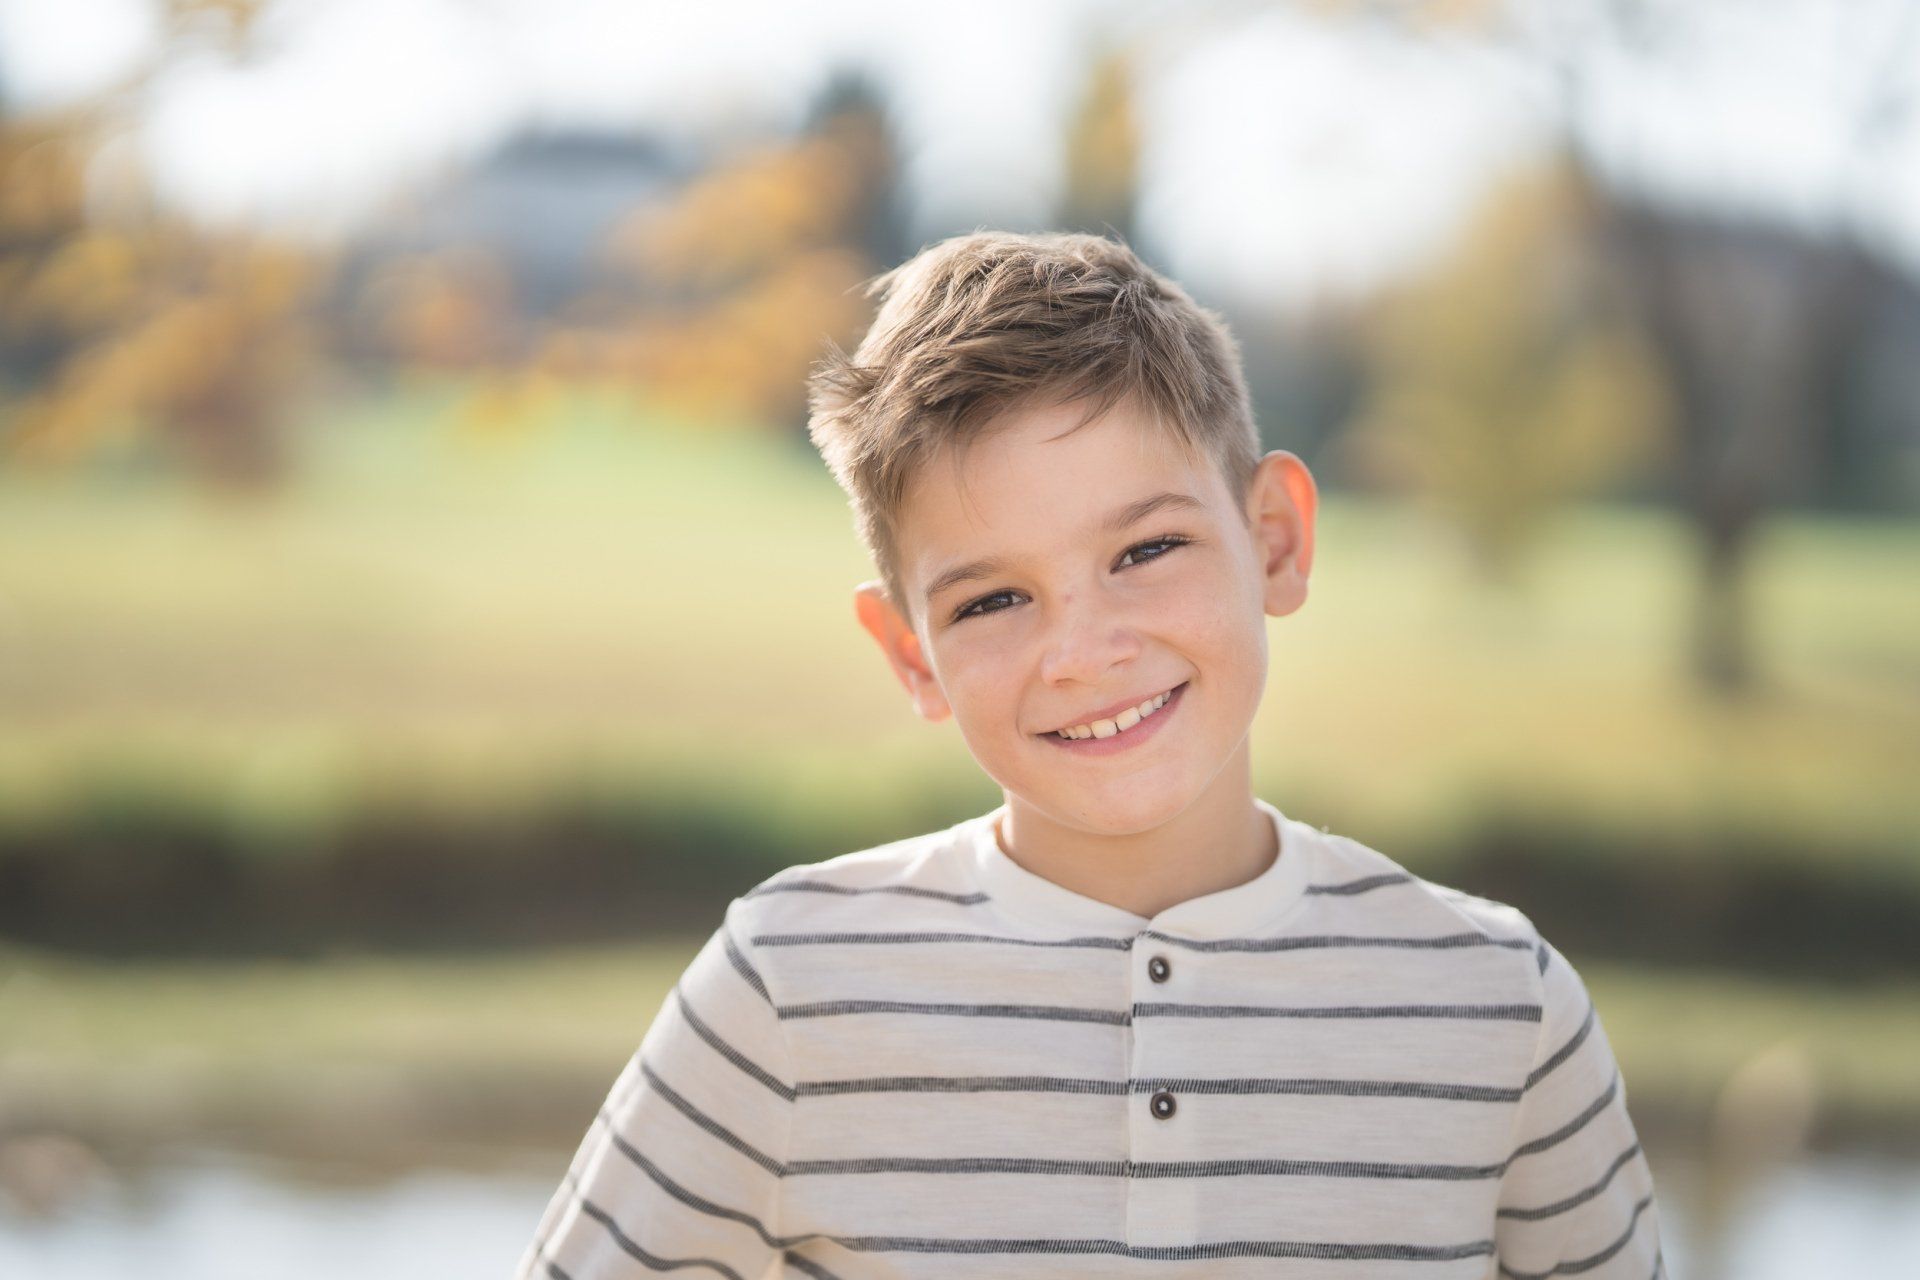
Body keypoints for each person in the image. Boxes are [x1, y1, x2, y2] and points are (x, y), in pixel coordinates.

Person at [512, 231, 1666, 1279]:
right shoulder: (788, 988)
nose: (1082, 652)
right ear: (911, 653)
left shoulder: (1501, 1006)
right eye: (992, 600)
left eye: (1146, 549)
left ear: (1274, 539)